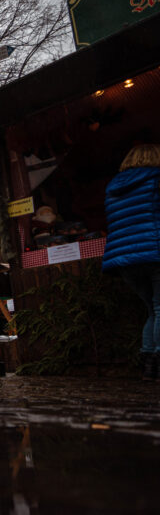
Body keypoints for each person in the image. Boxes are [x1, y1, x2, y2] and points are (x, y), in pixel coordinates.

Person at [102, 143, 160, 381]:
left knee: (152, 310)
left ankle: (149, 365)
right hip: (154, 249)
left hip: (125, 260)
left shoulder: (113, 188)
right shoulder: (156, 179)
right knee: (159, 308)